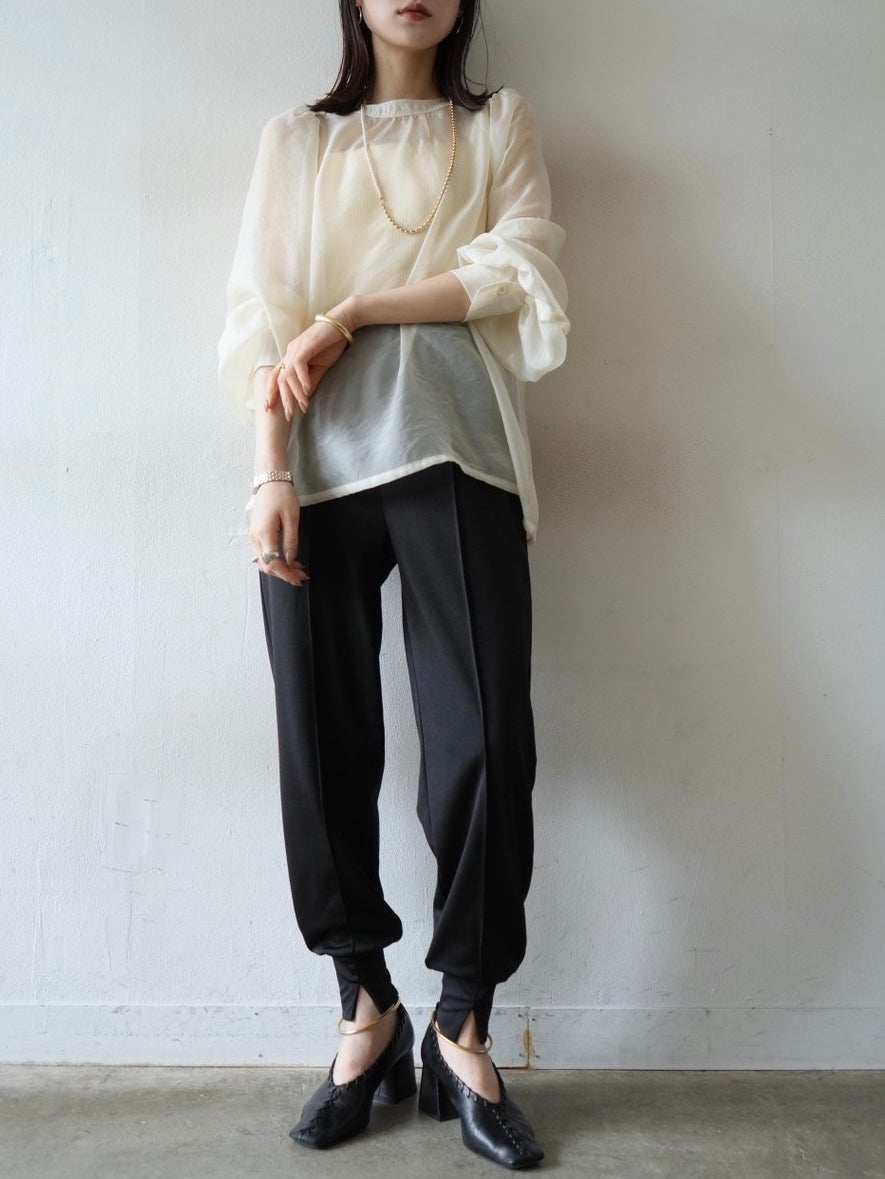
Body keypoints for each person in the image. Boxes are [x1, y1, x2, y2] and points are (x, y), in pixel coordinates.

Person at [217, 0, 569, 1168]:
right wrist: (267, 472)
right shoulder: (299, 140)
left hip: (457, 449)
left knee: (485, 740)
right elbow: (261, 312)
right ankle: (364, 1010)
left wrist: (358, 309)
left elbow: (515, 266)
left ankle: (463, 1024)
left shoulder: (497, 124)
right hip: (315, 464)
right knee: (318, 737)